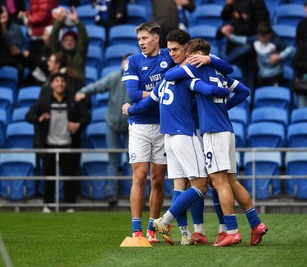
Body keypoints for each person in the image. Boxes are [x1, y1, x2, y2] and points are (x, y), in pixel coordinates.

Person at [122, 22, 233, 243]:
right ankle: (165, 221)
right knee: (202, 183)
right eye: (139, 39)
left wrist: (131, 109)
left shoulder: (168, 77)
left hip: (167, 134)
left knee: (179, 184)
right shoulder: (185, 74)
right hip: (186, 132)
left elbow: (146, 101)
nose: (172, 53)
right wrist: (224, 93)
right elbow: (214, 87)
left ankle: (188, 234)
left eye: (145, 38)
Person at [164, 38, 268, 246]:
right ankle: (256, 224)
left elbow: (169, 75)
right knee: (231, 180)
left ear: (194, 55)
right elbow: (244, 91)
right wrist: (223, 105)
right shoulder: (219, 71)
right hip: (227, 129)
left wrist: (190, 65)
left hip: (212, 132)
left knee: (218, 182)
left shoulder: (194, 69)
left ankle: (231, 230)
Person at [25, 73, 91, 212]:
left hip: (69, 145)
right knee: (48, 177)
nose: (60, 83)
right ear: (52, 84)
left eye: (62, 81)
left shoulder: (73, 101)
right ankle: (47, 205)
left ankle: (70, 205)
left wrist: (78, 124)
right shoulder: (44, 101)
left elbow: (87, 116)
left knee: (69, 177)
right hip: (49, 145)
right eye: (57, 81)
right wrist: (40, 118)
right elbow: (29, 115)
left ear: (65, 84)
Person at [75, 54, 132, 206]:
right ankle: (111, 195)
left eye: (130, 62)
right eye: (125, 62)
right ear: (121, 64)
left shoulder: (138, 80)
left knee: (133, 161)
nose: (126, 65)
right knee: (113, 159)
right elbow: (98, 86)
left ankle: (134, 195)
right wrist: (83, 92)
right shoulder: (114, 77)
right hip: (112, 123)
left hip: (131, 124)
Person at [222, 20, 295, 87]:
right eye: (261, 36)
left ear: (270, 34)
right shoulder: (256, 39)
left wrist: (279, 56)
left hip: (275, 76)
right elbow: (242, 40)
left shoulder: (276, 41)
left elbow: (291, 49)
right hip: (262, 76)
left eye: (265, 37)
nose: (263, 39)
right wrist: (229, 36)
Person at [50, 5, 89, 81]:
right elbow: (53, 37)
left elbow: (84, 38)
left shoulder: (79, 53)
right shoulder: (58, 53)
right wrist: (60, 20)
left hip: (77, 86)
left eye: (72, 40)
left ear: (76, 42)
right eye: (66, 40)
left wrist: (77, 21)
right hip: (60, 86)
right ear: (62, 42)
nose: (69, 42)